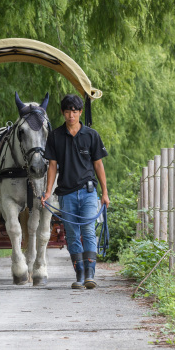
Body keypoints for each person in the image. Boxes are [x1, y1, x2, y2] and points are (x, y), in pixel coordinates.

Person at [40, 94, 109, 289]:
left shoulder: (91, 135)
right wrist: (47, 192)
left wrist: (105, 192)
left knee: (88, 230)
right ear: (63, 112)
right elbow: (52, 166)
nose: (71, 115)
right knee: (71, 234)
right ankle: (79, 275)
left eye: (75, 111)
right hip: (66, 193)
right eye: (68, 111)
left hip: (88, 192)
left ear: (80, 112)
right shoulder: (55, 136)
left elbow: (98, 165)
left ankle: (90, 275)